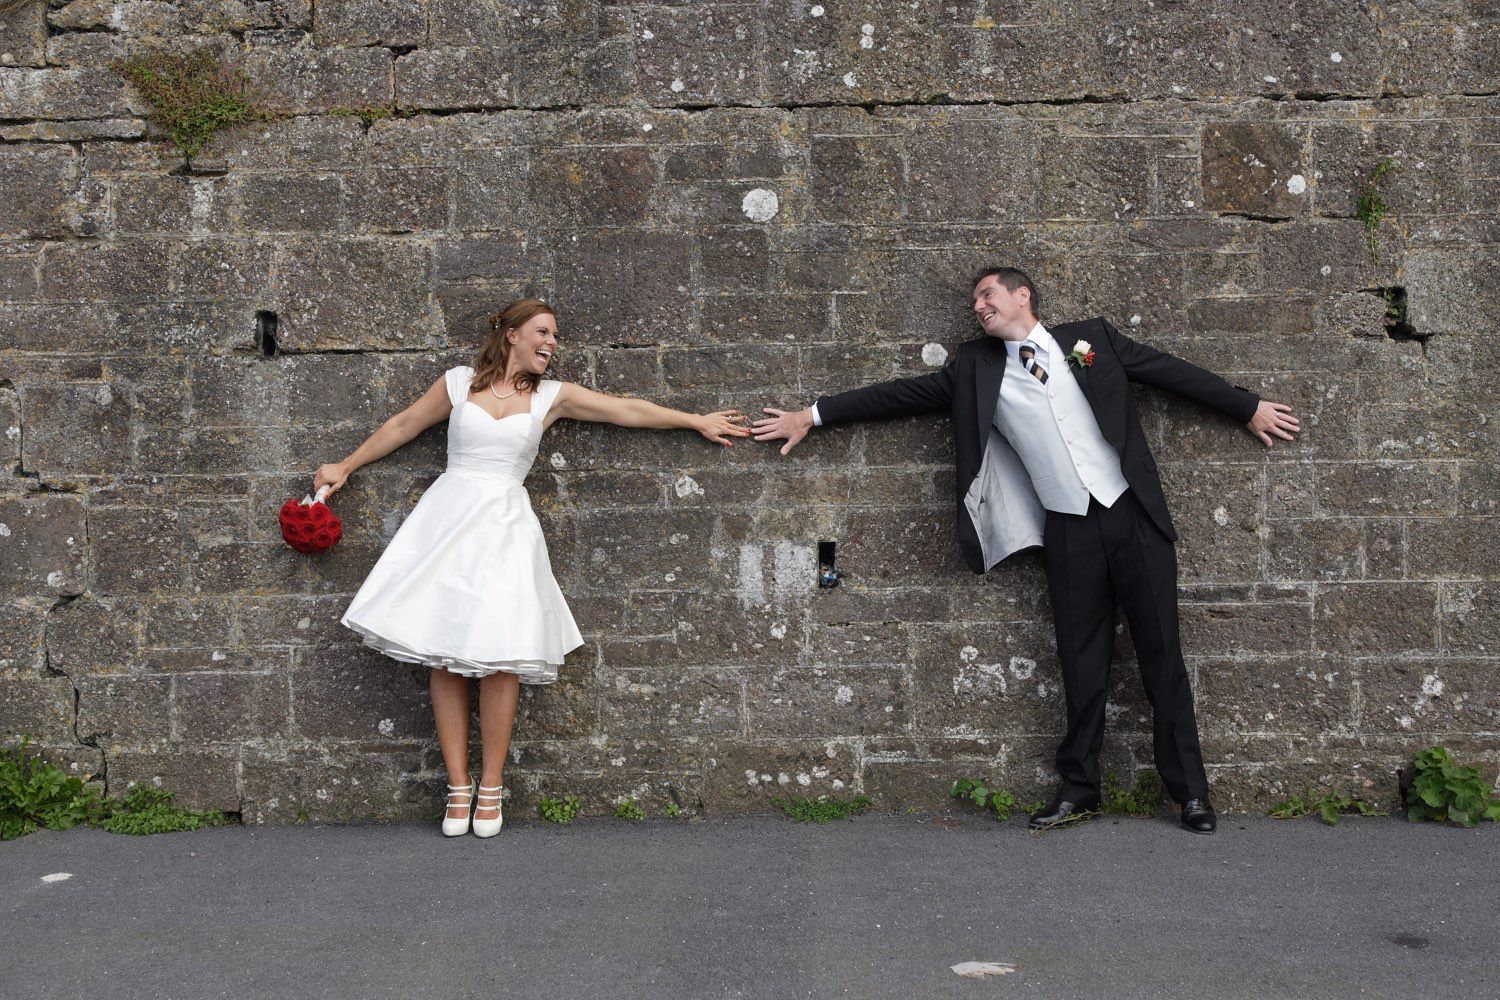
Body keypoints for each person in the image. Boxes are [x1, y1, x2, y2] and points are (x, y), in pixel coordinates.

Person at [752, 267, 1300, 834]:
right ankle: (1080, 789)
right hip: (1067, 529)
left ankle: (1190, 793)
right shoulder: (974, 368)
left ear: (1022, 296)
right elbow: (897, 396)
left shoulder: (1092, 341)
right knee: (1080, 665)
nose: (978, 307)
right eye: (973, 303)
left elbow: (1169, 373)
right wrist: (810, 415)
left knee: (1163, 659)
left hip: (1132, 516)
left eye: (987, 295)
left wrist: (1246, 406)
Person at [316, 299, 748, 838]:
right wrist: (346, 465)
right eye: (543, 332)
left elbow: (626, 409)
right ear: (512, 334)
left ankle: (491, 787)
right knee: (443, 654)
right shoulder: (457, 384)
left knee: (503, 656)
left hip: (505, 531)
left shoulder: (552, 396)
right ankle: (457, 787)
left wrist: (693, 421)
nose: (553, 343)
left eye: (556, 336)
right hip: (445, 526)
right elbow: (403, 424)